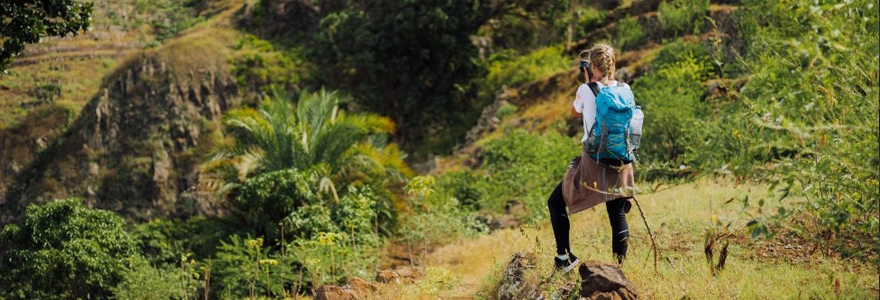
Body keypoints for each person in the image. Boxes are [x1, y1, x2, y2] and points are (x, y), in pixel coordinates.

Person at [547, 43, 634, 273]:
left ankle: (564, 258)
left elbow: (574, 112)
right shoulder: (625, 88)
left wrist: (587, 83)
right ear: (613, 64)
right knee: (616, 213)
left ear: (591, 66)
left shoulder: (586, 90)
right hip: (621, 159)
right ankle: (619, 270)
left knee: (555, 202)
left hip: (594, 161)